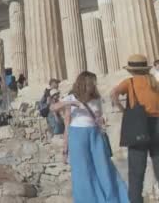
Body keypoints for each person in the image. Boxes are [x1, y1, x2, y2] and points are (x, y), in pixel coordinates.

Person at [49, 71, 127, 202]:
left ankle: (114, 198)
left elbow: (99, 115)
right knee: (82, 171)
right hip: (78, 135)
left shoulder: (96, 98)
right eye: (91, 83)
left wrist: (101, 120)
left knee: (104, 167)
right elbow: (53, 107)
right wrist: (69, 104)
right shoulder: (72, 98)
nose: (93, 85)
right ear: (84, 84)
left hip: (95, 134)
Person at [111, 54, 159, 203]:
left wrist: (122, 109)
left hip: (139, 126)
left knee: (136, 171)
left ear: (131, 70)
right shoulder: (155, 82)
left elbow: (113, 94)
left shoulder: (129, 82)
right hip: (157, 124)